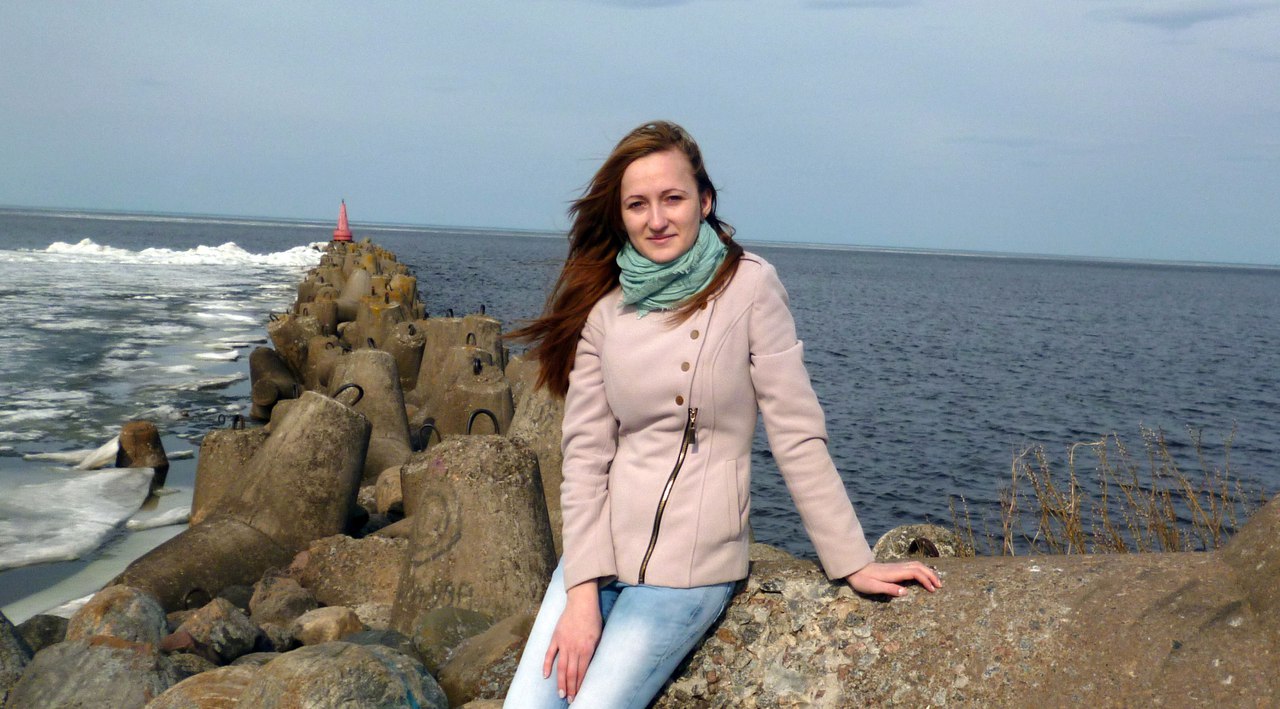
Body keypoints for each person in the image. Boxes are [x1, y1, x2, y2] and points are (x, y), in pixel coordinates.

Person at [505, 121, 941, 708]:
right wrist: (581, 591)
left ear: (704, 201)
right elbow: (585, 458)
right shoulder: (606, 311)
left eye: (673, 198)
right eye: (638, 204)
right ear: (620, 215)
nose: (657, 219)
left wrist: (852, 560)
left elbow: (796, 432)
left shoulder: (750, 287)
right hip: (595, 562)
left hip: (691, 573)